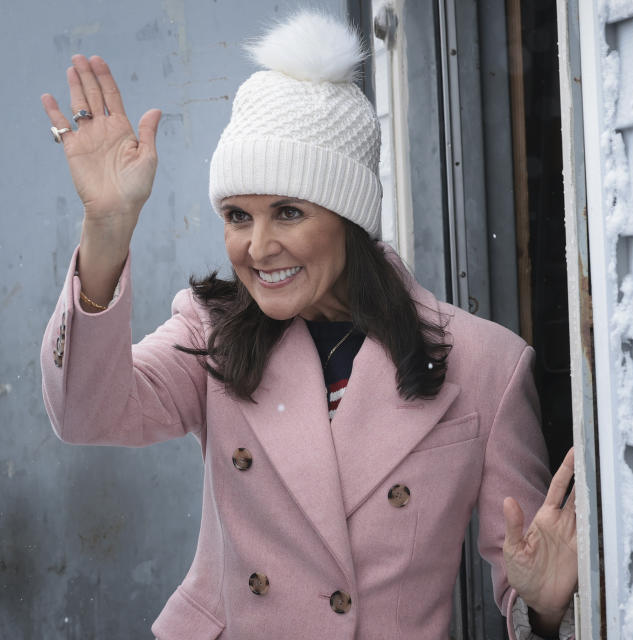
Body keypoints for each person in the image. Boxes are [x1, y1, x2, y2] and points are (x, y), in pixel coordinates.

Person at [39, 10, 577, 640]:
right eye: (238, 216)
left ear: (348, 216)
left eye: (287, 212)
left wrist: (543, 609)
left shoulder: (486, 365)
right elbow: (85, 413)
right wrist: (107, 228)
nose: (258, 247)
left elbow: (528, 579)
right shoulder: (214, 329)